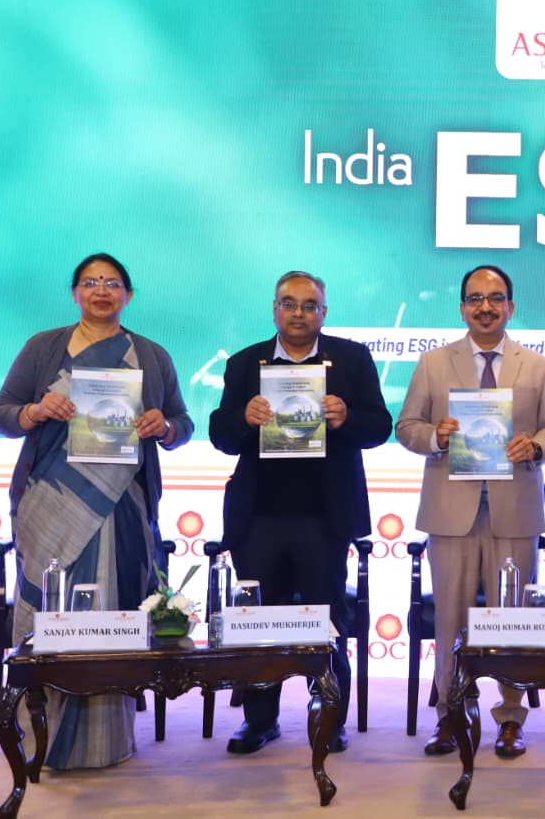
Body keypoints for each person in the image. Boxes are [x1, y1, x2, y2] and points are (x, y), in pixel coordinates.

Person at [0, 253, 193, 769]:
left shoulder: (151, 355)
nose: (102, 290)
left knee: (114, 610)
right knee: (49, 612)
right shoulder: (44, 348)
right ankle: (39, 735)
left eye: (113, 282)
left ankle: (108, 742)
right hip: (49, 503)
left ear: (128, 294)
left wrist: (164, 427)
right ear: (76, 293)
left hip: (124, 504)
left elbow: (183, 424)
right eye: (91, 282)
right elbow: (0, 414)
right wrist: (35, 411)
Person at [210, 270, 391, 755]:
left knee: (326, 623)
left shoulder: (351, 358)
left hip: (324, 518)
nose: (298, 313)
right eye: (288, 304)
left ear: (323, 313)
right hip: (259, 517)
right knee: (258, 624)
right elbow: (221, 435)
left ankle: (329, 718)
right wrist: (244, 418)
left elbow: (380, 426)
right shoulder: (246, 362)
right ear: (274, 310)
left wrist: (347, 416)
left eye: (309, 305)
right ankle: (259, 720)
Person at [397, 265, 545, 759]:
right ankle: (450, 714)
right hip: (450, 511)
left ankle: (511, 719)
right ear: (462, 309)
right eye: (475, 299)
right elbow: (406, 427)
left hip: (514, 509)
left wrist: (535, 447)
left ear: (511, 307)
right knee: (450, 621)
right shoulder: (433, 362)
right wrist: (436, 437)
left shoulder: (536, 365)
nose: (486, 307)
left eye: (495, 298)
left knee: (511, 621)